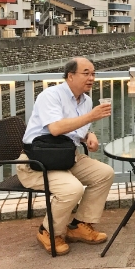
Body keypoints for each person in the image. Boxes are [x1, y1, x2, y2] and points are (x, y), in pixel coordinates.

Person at [16, 57, 115, 255]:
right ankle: (49, 231)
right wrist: (91, 117)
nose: (91, 78)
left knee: (104, 173)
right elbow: (55, 128)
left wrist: (89, 134)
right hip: (36, 161)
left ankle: (79, 225)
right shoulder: (50, 95)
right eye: (86, 73)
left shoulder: (86, 101)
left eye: (93, 73)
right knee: (72, 189)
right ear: (70, 76)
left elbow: (76, 130)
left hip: (66, 156)